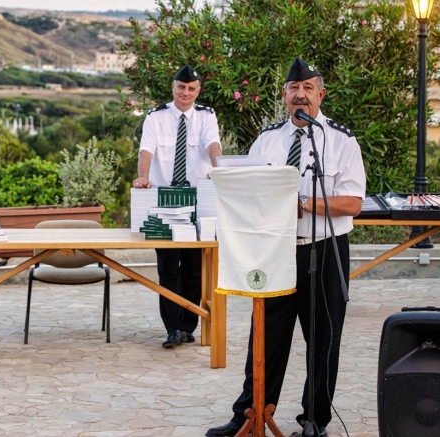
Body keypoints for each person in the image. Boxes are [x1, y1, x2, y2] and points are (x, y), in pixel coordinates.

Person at [206, 57, 366, 437]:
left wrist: (305, 203)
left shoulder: (341, 140)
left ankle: (315, 421)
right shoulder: (267, 139)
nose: (301, 94)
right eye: (294, 88)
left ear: (321, 94)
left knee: (323, 340)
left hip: (324, 249)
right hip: (275, 249)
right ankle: (249, 411)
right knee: (265, 335)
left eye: (308, 88)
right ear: (284, 95)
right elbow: (251, 190)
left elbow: (353, 202)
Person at [133, 64, 222, 348]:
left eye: (191, 88)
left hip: (198, 199)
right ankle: (172, 328)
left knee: (194, 268)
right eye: (181, 87)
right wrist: (143, 176)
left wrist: (222, 171)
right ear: (173, 87)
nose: (185, 93)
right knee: (168, 267)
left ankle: (189, 324)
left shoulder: (207, 117)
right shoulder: (156, 117)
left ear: (198, 91)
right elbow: (146, 150)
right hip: (166, 200)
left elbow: (213, 146)